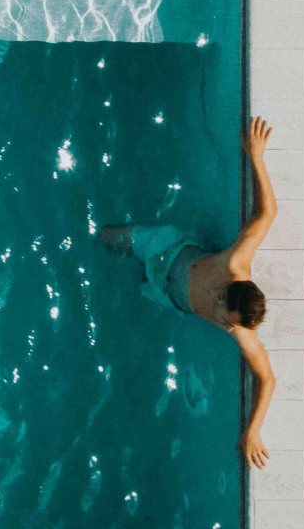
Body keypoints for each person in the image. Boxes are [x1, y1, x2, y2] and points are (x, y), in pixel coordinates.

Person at [99, 116, 279, 468]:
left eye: (226, 317)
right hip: (163, 248)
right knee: (108, 237)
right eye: (223, 302)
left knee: (136, 293)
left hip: (167, 296)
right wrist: (257, 156)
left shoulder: (238, 330)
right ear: (232, 289)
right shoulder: (234, 262)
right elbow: (268, 213)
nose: (219, 311)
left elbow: (267, 378)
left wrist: (253, 431)